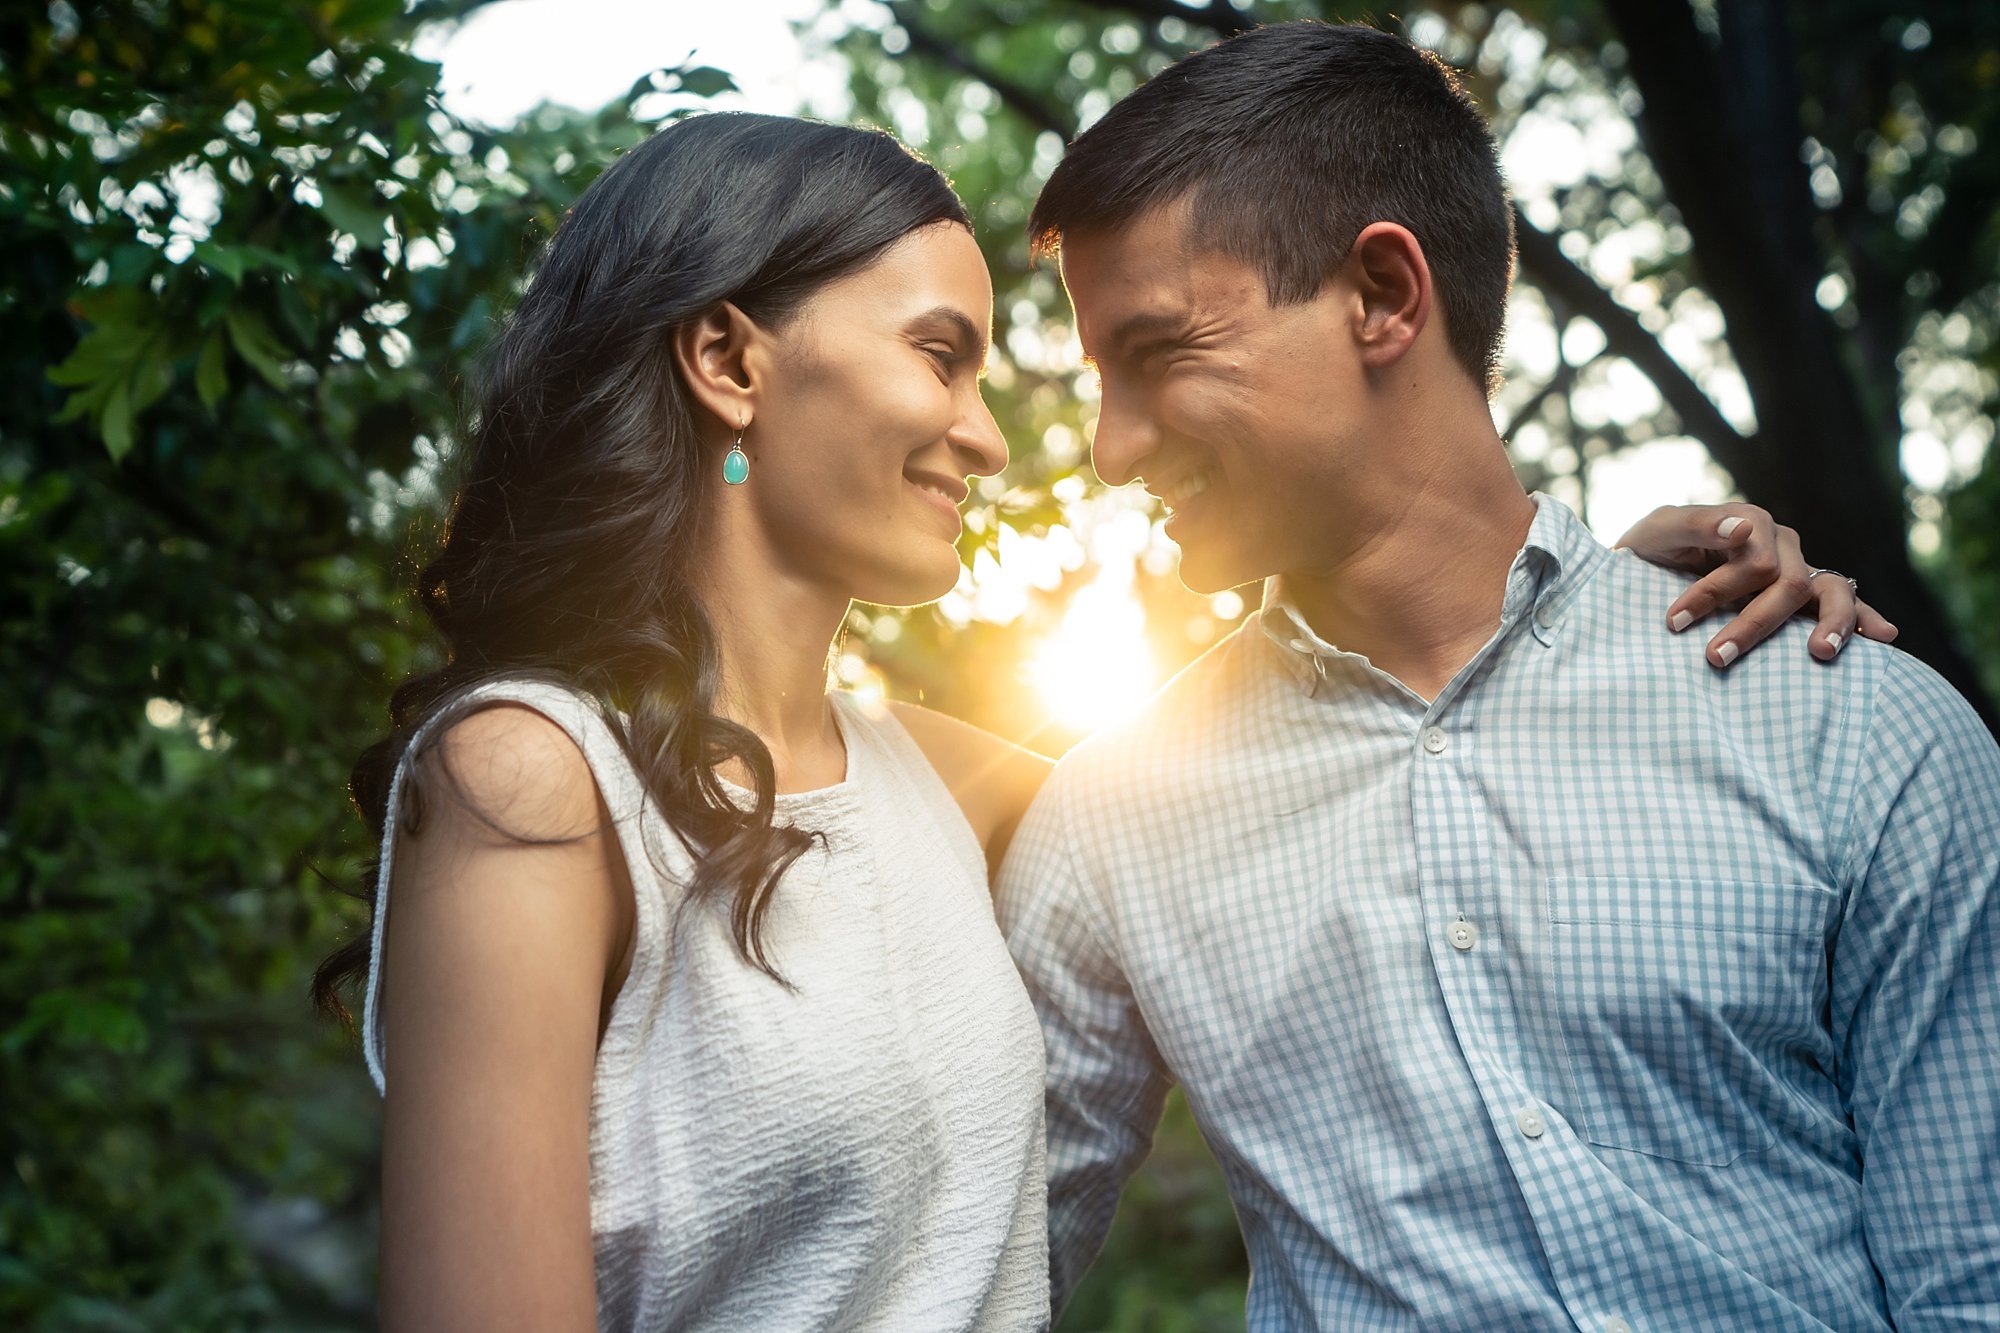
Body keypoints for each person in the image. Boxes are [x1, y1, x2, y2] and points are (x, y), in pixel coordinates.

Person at [309, 110, 1872, 1330]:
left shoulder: (957, 782)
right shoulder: (531, 778)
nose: (988, 438)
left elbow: (1327, 771)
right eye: (941, 356)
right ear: (728, 356)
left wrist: (1587, 605)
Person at [998, 20, 1999, 1333]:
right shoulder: (1106, 831)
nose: (1113, 450)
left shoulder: (1858, 726)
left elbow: (1972, 1286)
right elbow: (962, 1273)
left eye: (1159, 353)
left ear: (1380, 295)